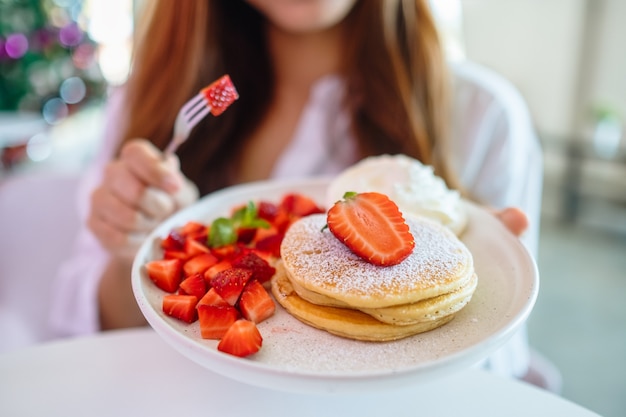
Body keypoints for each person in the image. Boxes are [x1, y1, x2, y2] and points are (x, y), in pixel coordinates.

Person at [50, 0, 548, 387]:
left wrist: (481, 291)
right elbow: (100, 336)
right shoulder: (149, 100)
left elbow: (496, 371)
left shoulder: (483, 116)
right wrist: (136, 247)